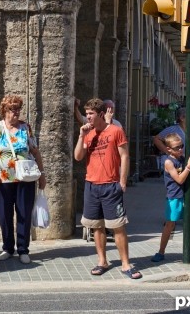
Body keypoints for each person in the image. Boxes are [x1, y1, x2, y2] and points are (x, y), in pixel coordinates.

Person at [74, 98, 142, 279]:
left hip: (111, 185)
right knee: (97, 226)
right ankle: (102, 261)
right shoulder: (88, 133)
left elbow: (125, 156)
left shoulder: (116, 131)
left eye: (91, 114)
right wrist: (81, 135)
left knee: (117, 227)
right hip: (92, 185)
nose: (87, 117)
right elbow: (78, 157)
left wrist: (123, 181)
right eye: (86, 113)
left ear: (101, 114)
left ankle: (126, 264)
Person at [0, 95, 46, 264]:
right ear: (4, 110)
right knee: (4, 215)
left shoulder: (25, 128)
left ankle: (23, 249)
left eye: (18, 109)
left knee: (24, 213)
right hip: (4, 180)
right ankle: (7, 248)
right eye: (13, 109)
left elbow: (35, 151)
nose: (16, 112)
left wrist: (42, 173)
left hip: (25, 179)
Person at [151, 133, 190, 265]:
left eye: (182, 146)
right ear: (169, 149)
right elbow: (179, 179)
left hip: (186, 196)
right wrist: (188, 167)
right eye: (177, 147)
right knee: (170, 224)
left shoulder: (183, 157)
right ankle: (161, 251)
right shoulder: (168, 162)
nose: (181, 149)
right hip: (174, 197)